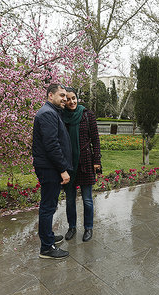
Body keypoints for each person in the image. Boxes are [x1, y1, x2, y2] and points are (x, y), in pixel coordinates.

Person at [32, 83, 72, 259]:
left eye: (65, 96)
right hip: (50, 168)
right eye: (61, 95)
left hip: (49, 167)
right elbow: (52, 145)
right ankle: (47, 248)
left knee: (49, 205)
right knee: (48, 207)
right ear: (50, 96)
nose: (65, 99)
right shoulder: (48, 113)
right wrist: (62, 169)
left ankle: (48, 237)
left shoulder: (51, 112)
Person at [61, 87, 102, 242]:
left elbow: (96, 140)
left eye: (74, 98)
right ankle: (72, 227)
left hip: (85, 161)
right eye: (68, 99)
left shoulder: (87, 115)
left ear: (77, 98)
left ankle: (88, 228)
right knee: (70, 199)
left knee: (87, 199)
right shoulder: (61, 116)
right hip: (68, 163)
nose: (72, 102)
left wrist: (97, 160)